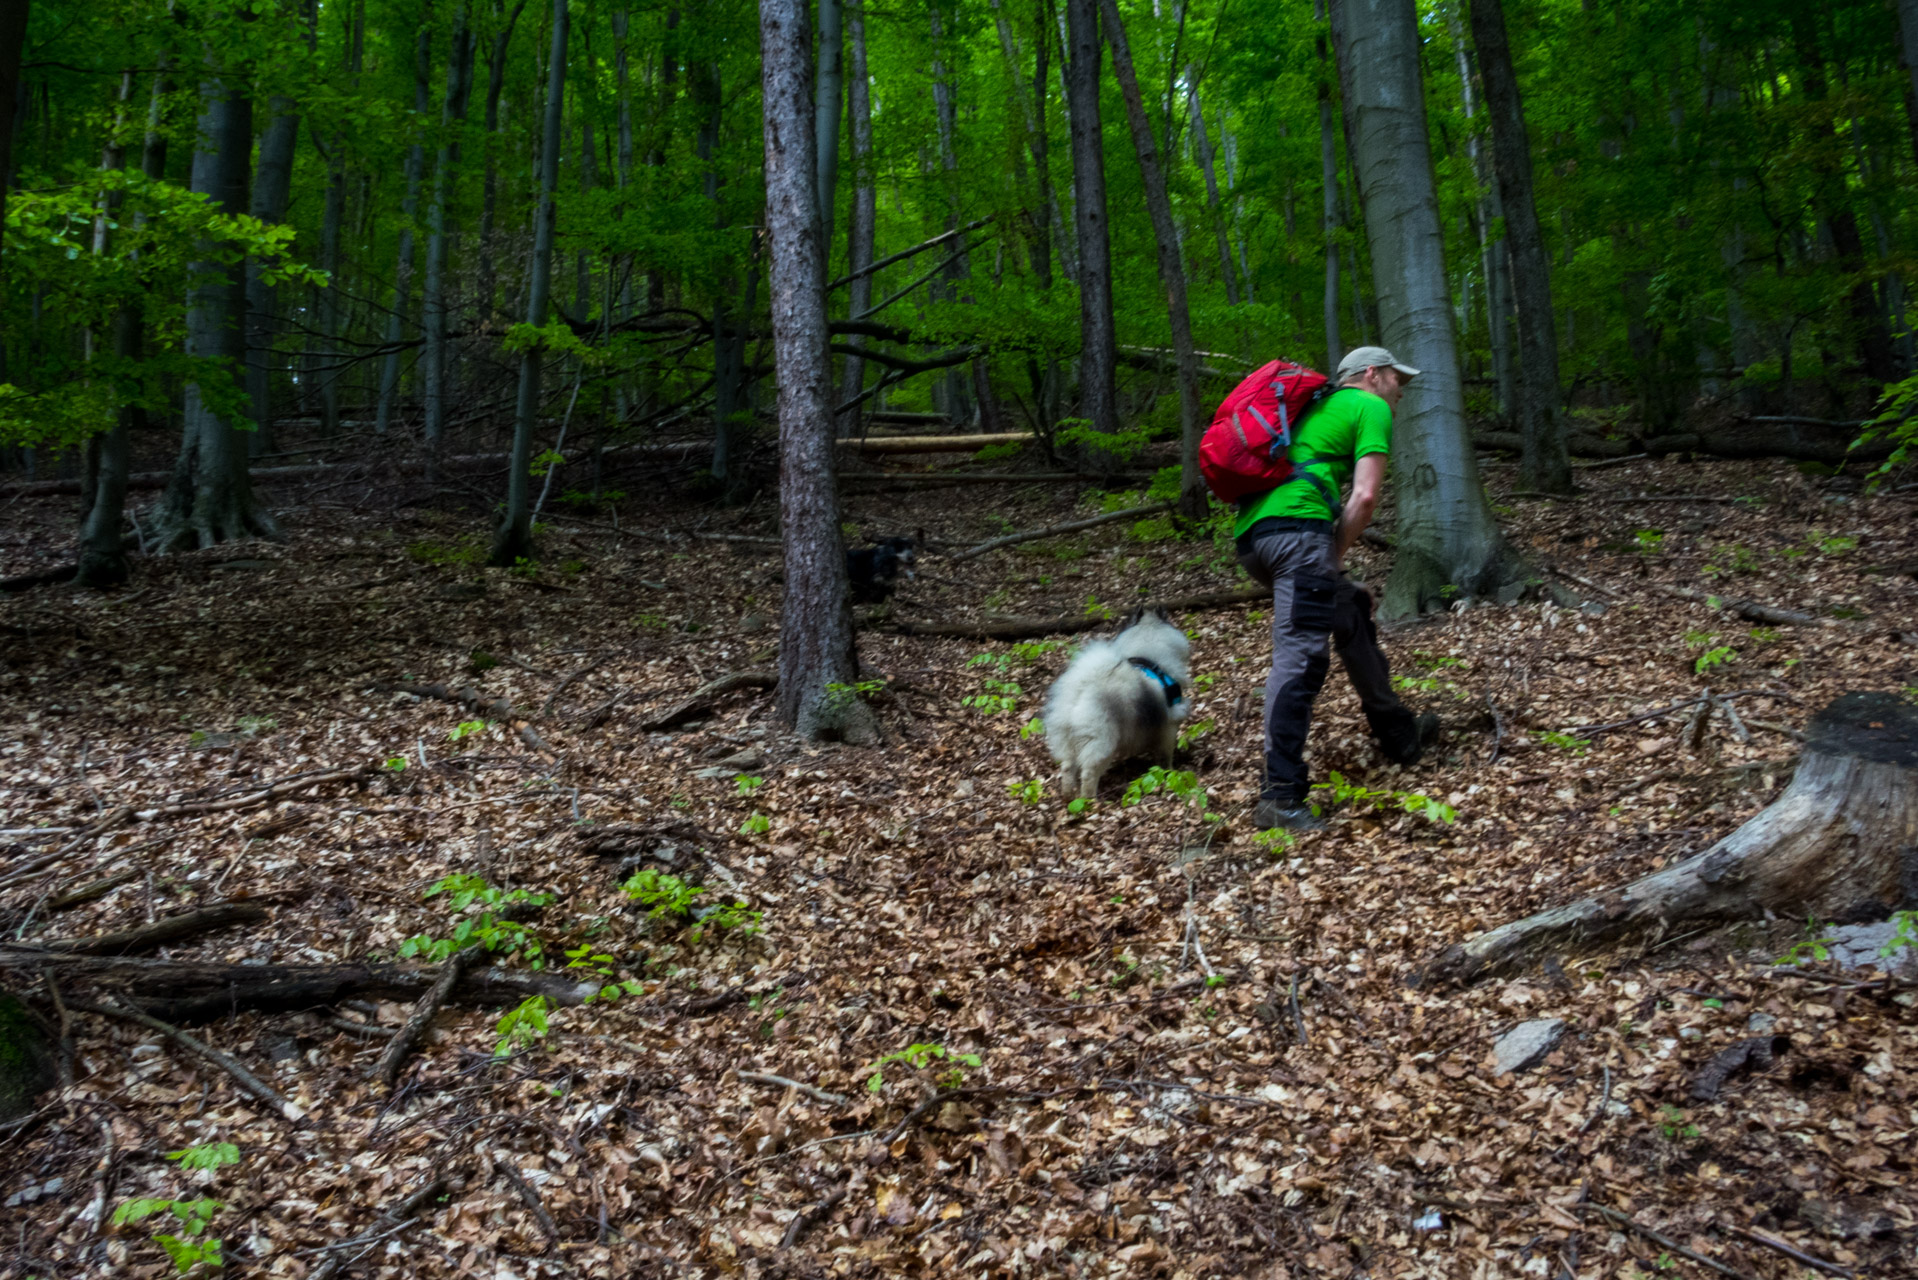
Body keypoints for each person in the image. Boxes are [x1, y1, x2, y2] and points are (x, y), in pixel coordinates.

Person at [1234, 345, 1441, 832]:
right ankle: (1280, 797)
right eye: (1396, 380)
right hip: (1297, 535)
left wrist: (1334, 573)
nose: (1400, 393)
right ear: (1371, 374)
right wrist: (1331, 556)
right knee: (1302, 658)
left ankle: (1399, 735)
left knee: (1349, 608)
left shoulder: (1313, 409)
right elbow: (1365, 497)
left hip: (1253, 538)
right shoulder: (1368, 405)